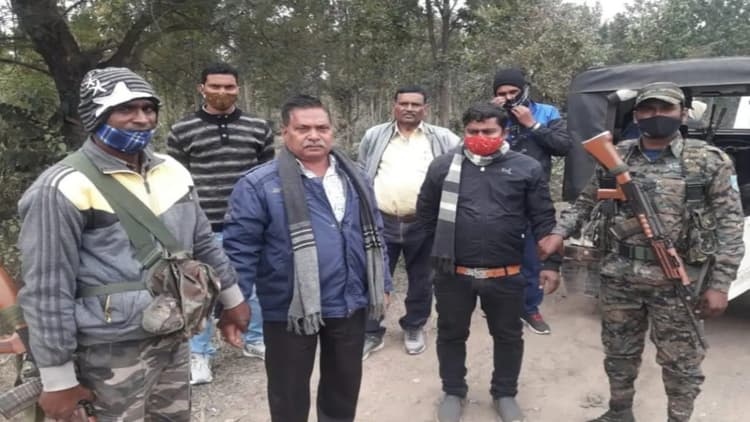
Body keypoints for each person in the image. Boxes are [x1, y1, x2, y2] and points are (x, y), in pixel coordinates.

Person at [16, 67, 250, 421]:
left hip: (173, 334)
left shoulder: (172, 170)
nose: (142, 119)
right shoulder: (61, 187)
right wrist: (57, 378)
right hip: (107, 352)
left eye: (148, 108)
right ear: (97, 116)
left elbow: (203, 242)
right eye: (125, 109)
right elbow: (47, 289)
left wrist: (232, 301)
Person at [540, 82, 745, 422]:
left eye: (665, 109)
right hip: (619, 275)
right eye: (648, 109)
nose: (656, 115)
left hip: (678, 280)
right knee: (619, 353)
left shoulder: (708, 162)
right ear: (636, 116)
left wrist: (721, 284)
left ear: (683, 114)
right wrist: (559, 233)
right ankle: (619, 412)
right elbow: (586, 202)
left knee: (681, 362)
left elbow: (730, 227)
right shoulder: (616, 155)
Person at [223, 94, 392, 422]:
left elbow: (376, 232)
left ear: (332, 131)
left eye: (322, 128)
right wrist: (232, 306)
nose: (314, 135)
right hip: (290, 308)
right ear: (285, 132)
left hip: (349, 302)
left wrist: (382, 282)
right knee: (288, 393)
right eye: (303, 129)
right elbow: (239, 251)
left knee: (343, 388)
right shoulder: (259, 185)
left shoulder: (356, 177)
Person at [416, 102, 562, 422]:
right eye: (473, 131)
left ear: (504, 132)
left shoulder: (526, 168)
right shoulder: (442, 167)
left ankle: (505, 393)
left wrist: (552, 264)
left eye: (489, 131)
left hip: (506, 273)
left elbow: (544, 219)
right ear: (464, 131)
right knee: (451, 334)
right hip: (454, 273)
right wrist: (438, 255)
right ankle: (453, 390)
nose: (480, 137)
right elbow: (425, 215)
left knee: (508, 336)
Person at [167, 62, 274, 384]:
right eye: (215, 86)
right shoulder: (182, 130)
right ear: (202, 88)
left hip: (249, 224)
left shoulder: (259, 128)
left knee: (252, 286)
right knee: (200, 291)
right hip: (202, 229)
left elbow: (268, 177)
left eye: (229, 86)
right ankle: (199, 354)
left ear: (238, 88)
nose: (222, 92)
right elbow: (174, 181)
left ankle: (254, 339)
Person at [358, 85, 459, 359]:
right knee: (374, 275)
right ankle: (371, 331)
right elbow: (363, 170)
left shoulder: (442, 137)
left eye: (416, 104)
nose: (409, 109)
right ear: (394, 105)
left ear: (425, 108)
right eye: (404, 103)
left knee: (422, 278)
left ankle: (414, 326)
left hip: (423, 222)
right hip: (381, 220)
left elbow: (463, 163)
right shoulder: (375, 135)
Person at [491, 67, 573, 335]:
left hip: (534, 195)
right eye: (502, 93)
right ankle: (499, 306)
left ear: (525, 89)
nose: (509, 97)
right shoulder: (493, 113)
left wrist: (532, 125)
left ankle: (530, 307)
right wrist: (493, 115)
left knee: (533, 255)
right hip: (497, 195)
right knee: (496, 254)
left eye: (513, 91)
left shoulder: (547, 112)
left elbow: (563, 146)